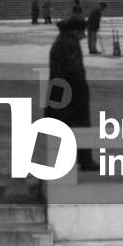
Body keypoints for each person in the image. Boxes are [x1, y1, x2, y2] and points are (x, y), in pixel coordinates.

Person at [45, 17, 95, 170]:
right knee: (78, 124)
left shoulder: (63, 41)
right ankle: (84, 160)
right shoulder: (69, 44)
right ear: (75, 31)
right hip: (71, 91)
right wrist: (82, 90)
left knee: (61, 124)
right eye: (82, 31)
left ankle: (67, 159)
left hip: (60, 89)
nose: (84, 35)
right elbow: (74, 70)